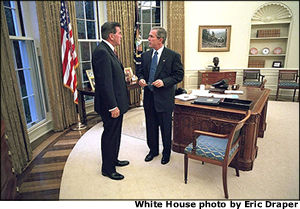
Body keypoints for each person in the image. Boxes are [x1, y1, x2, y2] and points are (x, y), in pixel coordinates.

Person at [136, 27, 184, 165]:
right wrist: (141, 79)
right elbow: (140, 72)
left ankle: (166, 153)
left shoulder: (173, 56)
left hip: (164, 98)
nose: (148, 39)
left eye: (151, 36)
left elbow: (178, 75)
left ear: (160, 39)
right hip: (149, 98)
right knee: (150, 127)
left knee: (165, 127)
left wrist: (164, 82)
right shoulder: (145, 55)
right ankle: (153, 150)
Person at [92, 22, 129, 180]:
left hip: (117, 102)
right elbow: (104, 83)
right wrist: (113, 106)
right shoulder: (102, 52)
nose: (121, 36)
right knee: (110, 135)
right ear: (111, 36)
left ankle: (113, 160)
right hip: (110, 105)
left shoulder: (109, 50)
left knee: (115, 134)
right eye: (119, 33)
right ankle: (107, 169)